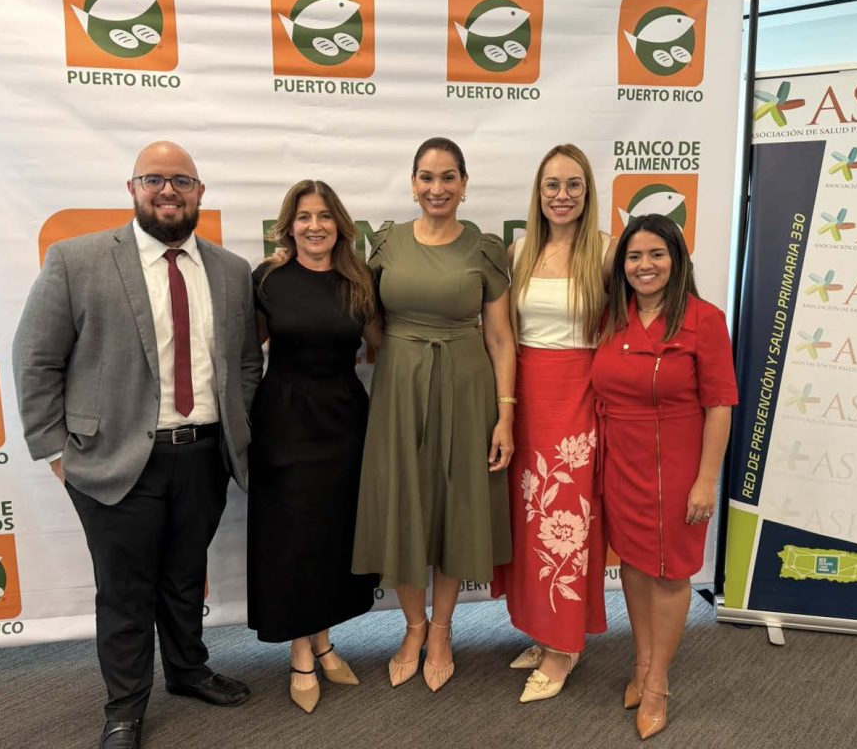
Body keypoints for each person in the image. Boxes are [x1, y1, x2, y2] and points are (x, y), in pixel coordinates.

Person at [13, 141, 262, 749]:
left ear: (200, 193)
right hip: (113, 460)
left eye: (182, 181)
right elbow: (36, 359)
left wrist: (237, 426)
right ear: (132, 189)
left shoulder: (231, 271)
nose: (168, 191)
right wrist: (56, 453)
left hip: (204, 455)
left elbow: (246, 363)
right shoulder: (77, 261)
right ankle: (125, 707)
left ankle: (187, 670)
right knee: (125, 590)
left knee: (185, 576)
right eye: (154, 179)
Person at [352, 137, 517, 692]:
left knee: (454, 505)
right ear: (413, 183)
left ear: (464, 184)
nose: (437, 188)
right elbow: (366, 317)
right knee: (404, 502)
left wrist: (505, 415)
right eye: (426, 176)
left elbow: (500, 337)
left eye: (448, 177)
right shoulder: (386, 243)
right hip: (399, 388)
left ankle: (442, 630)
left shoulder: (484, 249)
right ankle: (413, 627)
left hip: (467, 389)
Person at [591, 213, 737, 740]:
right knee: (633, 563)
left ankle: (657, 684)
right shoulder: (613, 317)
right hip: (621, 461)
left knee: (671, 573)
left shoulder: (704, 319)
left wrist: (706, 480)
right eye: (634, 256)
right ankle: (641, 661)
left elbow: (719, 405)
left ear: (676, 260)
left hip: (676, 463)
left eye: (656, 254)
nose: (644, 265)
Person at [247, 180, 380, 714]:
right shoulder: (267, 279)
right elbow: (244, 353)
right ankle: (302, 652)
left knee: (328, 537)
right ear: (289, 226)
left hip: (344, 422)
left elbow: (384, 346)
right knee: (293, 539)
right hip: (284, 421)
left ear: (340, 225)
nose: (315, 225)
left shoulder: (360, 280)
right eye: (304, 217)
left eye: (324, 215)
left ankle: (323, 641)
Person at [491, 144, 611, 703]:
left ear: (587, 192)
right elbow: (503, 336)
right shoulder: (519, 251)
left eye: (573, 185)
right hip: (526, 397)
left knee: (568, 525)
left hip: (578, 401)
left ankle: (565, 646)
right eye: (552, 186)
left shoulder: (607, 252)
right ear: (538, 194)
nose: (562, 196)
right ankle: (543, 632)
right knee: (530, 523)